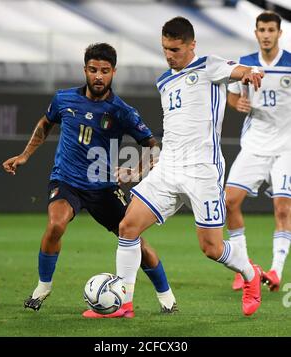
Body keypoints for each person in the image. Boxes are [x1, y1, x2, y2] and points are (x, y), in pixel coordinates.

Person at [2, 43, 177, 318]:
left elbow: (152, 145)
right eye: (93, 69)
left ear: (113, 72)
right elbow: (46, 123)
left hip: (104, 187)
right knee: (56, 223)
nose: (98, 76)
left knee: (134, 241)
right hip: (67, 180)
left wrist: (136, 170)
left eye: (104, 71)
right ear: (85, 69)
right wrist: (25, 155)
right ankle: (42, 287)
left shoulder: (121, 111)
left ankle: (167, 298)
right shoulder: (64, 99)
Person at [111, 16, 264, 318]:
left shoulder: (209, 65)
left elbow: (240, 70)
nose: (169, 55)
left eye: (176, 49)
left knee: (211, 248)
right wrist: (142, 168)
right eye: (165, 48)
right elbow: (172, 133)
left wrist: (250, 73)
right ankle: (123, 303)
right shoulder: (164, 81)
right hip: (169, 168)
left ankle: (250, 274)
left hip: (202, 170)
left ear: (192, 45)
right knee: (128, 227)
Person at [225, 11, 291, 292]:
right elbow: (231, 94)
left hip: (287, 147)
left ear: (279, 33)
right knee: (229, 201)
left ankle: (276, 271)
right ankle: (243, 267)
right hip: (254, 144)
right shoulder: (246, 65)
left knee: (283, 208)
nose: (266, 34)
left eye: (270, 30)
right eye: (261, 29)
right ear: (256, 33)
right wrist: (236, 103)